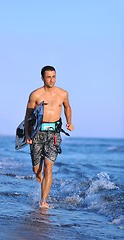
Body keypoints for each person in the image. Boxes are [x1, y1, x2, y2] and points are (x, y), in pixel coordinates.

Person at [24, 65, 74, 209]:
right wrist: (27, 134)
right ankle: (37, 172)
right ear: (42, 78)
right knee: (36, 170)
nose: (52, 80)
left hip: (54, 134)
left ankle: (43, 201)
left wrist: (69, 122)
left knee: (49, 168)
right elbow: (28, 116)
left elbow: (67, 107)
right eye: (48, 77)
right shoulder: (35, 95)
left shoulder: (63, 93)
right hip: (37, 133)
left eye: (54, 77)